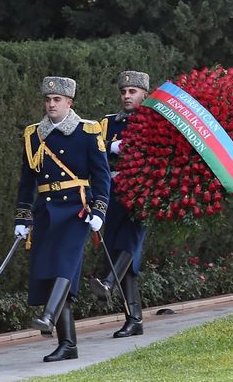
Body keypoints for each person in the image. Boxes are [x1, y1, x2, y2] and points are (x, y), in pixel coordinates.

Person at [14, 76, 110, 362]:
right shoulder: (34, 135)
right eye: (47, 99)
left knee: (64, 264)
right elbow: (26, 181)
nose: (51, 104)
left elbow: (102, 176)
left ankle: (48, 316)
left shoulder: (87, 131)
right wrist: (22, 216)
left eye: (57, 99)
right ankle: (68, 344)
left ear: (69, 102)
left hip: (77, 209)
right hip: (46, 210)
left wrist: (99, 210)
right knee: (48, 271)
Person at [90, 70, 149, 338]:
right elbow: (95, 151)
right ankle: (134, 319)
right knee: (116, 247)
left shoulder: (153, 121)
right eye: (124, 92)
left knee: (128, 242)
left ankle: (108, 284)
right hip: (113, 191)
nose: (127, 96)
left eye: (132, 92)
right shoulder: (108, 122)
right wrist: (112, 147)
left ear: (144, 94)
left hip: (143, 192)